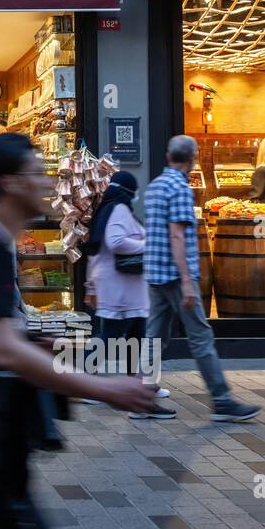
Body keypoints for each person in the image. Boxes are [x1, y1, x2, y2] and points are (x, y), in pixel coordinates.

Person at [0, 134, 158, 529]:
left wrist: (41, 344)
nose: (49, 182)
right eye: (37, 173)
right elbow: (2, 351)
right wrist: (106, 389)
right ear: (9, 182)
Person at [143, 136, 261, 423]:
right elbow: (177, 235)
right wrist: (186, 280)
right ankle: (221, 400)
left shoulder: (155, 186)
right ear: (192, 158)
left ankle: (141, 399)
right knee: (201, 337)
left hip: (155, 273)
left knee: (154, 338)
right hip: (174, 274)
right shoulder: (180, 188)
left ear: (168, 155)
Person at [80, 170, 169, 400]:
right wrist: (147, 244)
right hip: (120, 286)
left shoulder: (108, 209)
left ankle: (141, 383)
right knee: (113, 334)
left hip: (121, 284)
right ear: (129, 191)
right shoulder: (119, 209)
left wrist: (90, 286)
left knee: (137, 334)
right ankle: (83, 383)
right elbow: (116, 242)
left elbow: (95, 253)